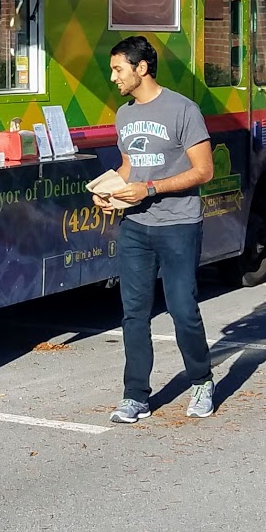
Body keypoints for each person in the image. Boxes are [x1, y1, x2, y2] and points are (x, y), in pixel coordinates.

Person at [93, 35, 217, 423]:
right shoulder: (124, 115)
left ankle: (201, 381)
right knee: (133, 313)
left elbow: (203, 171)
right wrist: (110, 189)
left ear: (141, 68)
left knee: (182, 310)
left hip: (179, 225)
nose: (113, 77)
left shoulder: (184, 110)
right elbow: (132, 166)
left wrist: (149, 188)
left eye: (118, 69)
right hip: (135, 226)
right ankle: (135, 396)